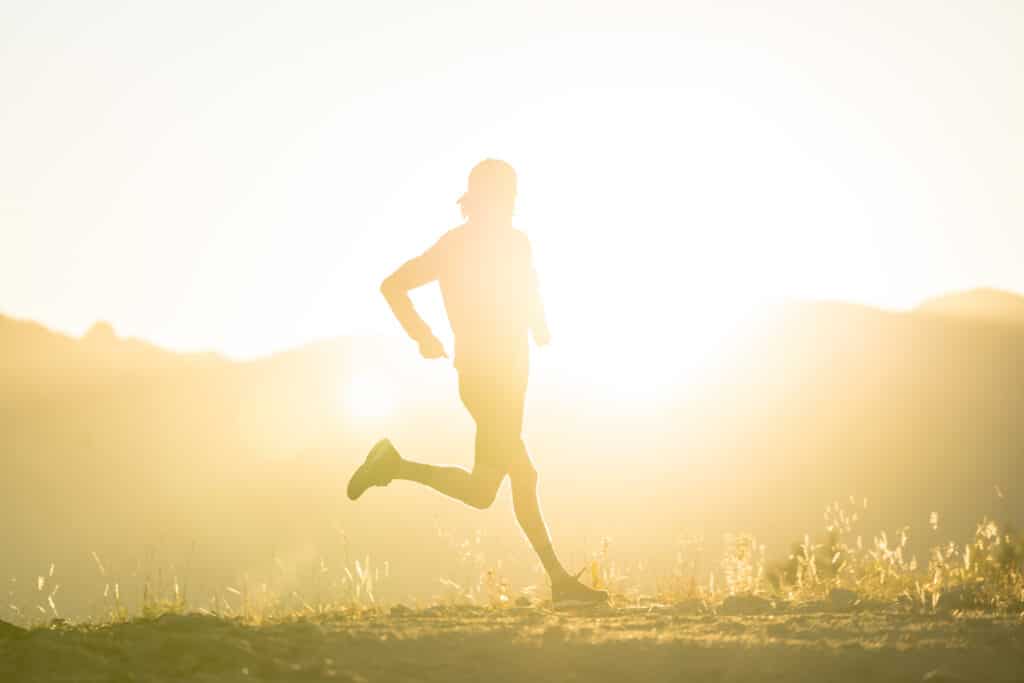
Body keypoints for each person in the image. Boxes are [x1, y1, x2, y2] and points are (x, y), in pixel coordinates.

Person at [347, 159, 608, 605]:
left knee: (523, 477)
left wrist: (539, 325)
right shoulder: (455, 247)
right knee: (485, 491)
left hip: (512, 378)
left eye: (512, 194)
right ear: (482, 198)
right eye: (503, 194)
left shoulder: (517, 243)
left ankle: (560, 583)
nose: (510, 202)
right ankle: (392, 465)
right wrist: (423, 336)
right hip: (486, 382)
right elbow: (392, 285)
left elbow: (527, 288)